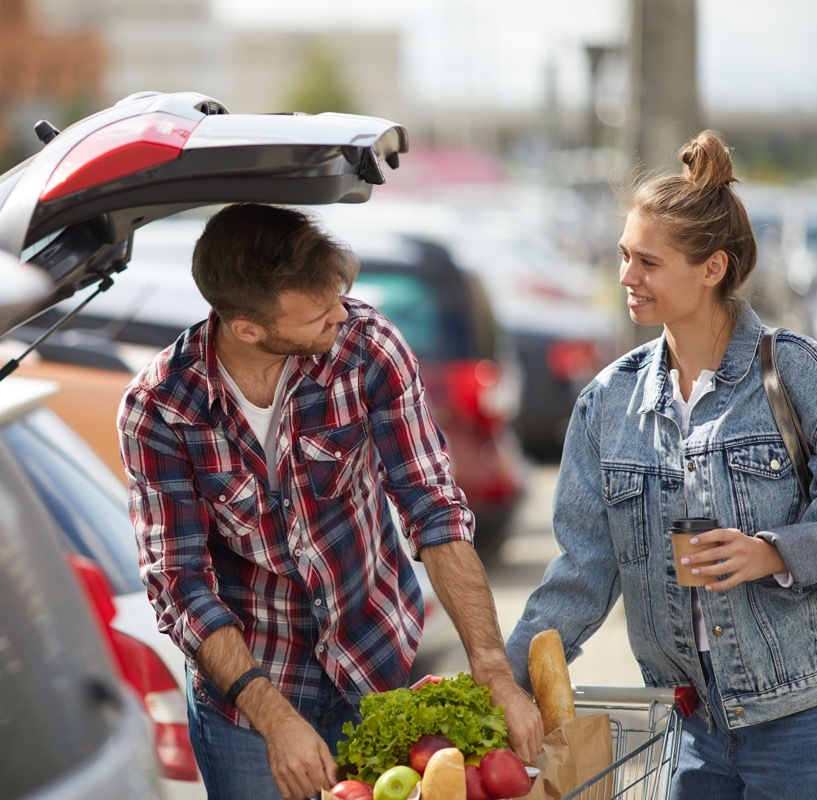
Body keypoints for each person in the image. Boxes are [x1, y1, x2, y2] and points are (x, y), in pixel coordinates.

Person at [118, 202, 542, 800]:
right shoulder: (160, 406)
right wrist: (273, 718)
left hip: (372, 660)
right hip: (249, 694)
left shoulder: (368, 348)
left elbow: (434, 510)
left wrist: (492, 665)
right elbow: (180, 581)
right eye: (319, 314)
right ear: (248, 329)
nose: (341, 316)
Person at [505, 131, 817, 799]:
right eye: (624, 255)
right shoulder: (608, 404)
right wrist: (501, 681)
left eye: (647, 261)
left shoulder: (800, 374)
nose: (625, 276)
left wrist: (774, 551)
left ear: (712, 267)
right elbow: (583, 572)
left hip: (807, 722)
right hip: (689, 730)